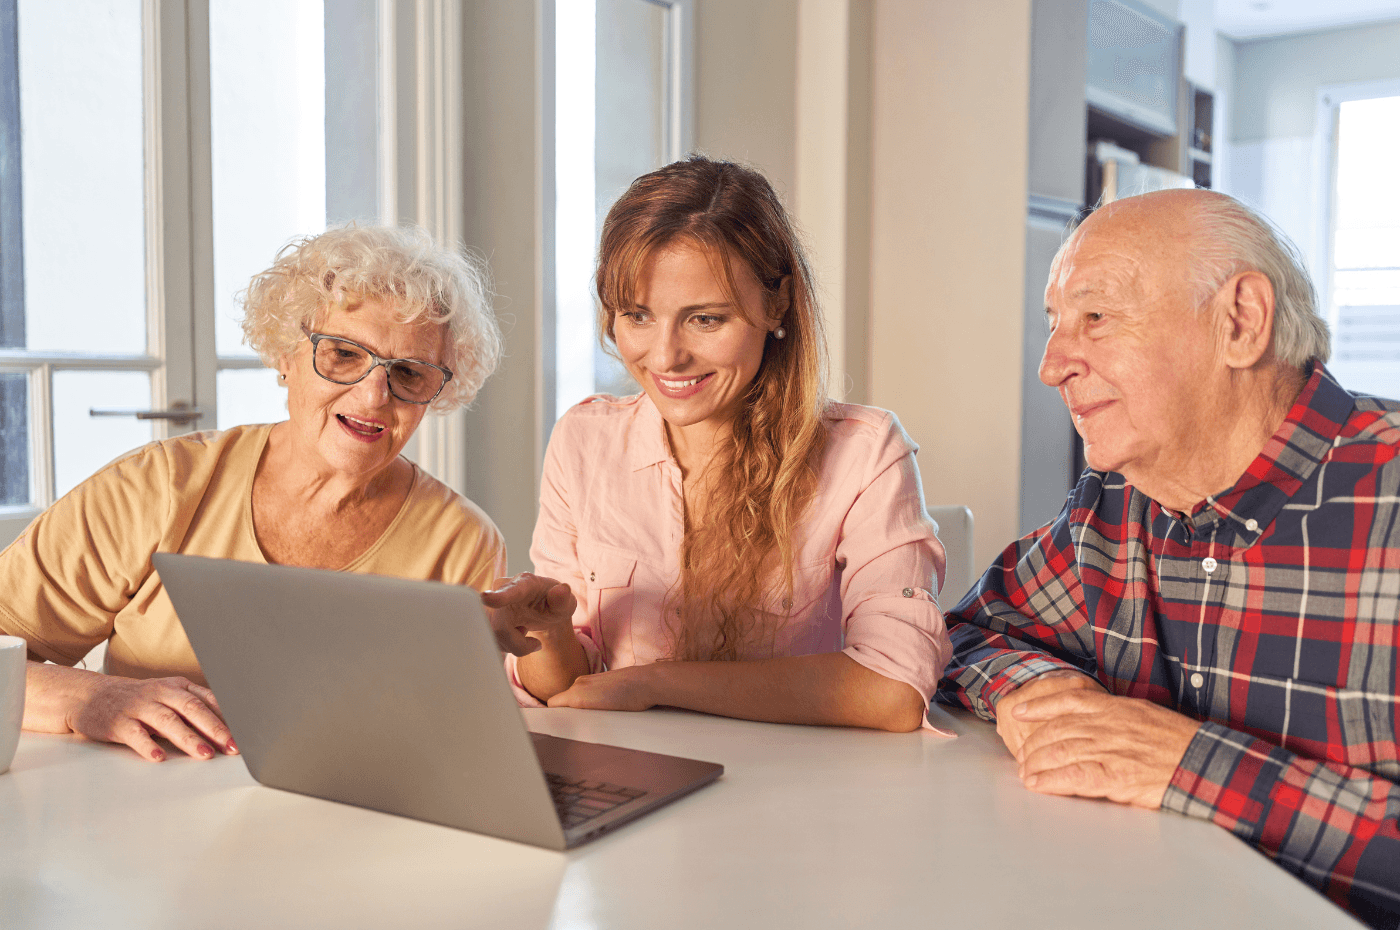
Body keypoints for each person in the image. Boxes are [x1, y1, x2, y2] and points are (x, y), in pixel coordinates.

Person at [936, 189, 1399, 926]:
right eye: (1055, 326)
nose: (1051, 366)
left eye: (1097, 318)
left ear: (1240, 323)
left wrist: (1197, 769)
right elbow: (971, 633)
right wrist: (1041, 698)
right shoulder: (1113, 507)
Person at [0, 225, 521, 763]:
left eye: (408, 372)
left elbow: (455, 742)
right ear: (286, 355)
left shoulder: (463, 542)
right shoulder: (157, 487)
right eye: (343, 354)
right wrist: (94, 698)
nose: (373, 395)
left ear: (434, 393)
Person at [484, 156, 951, 733]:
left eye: (705, 320)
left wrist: (656, 682)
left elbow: (892, 690)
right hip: (637, 779)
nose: (664, 356)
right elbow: (569, 690)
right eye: (638, 315)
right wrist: (549, 633)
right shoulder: (584, 440)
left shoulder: (865, 453)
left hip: (806, 793)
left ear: (776, 304)